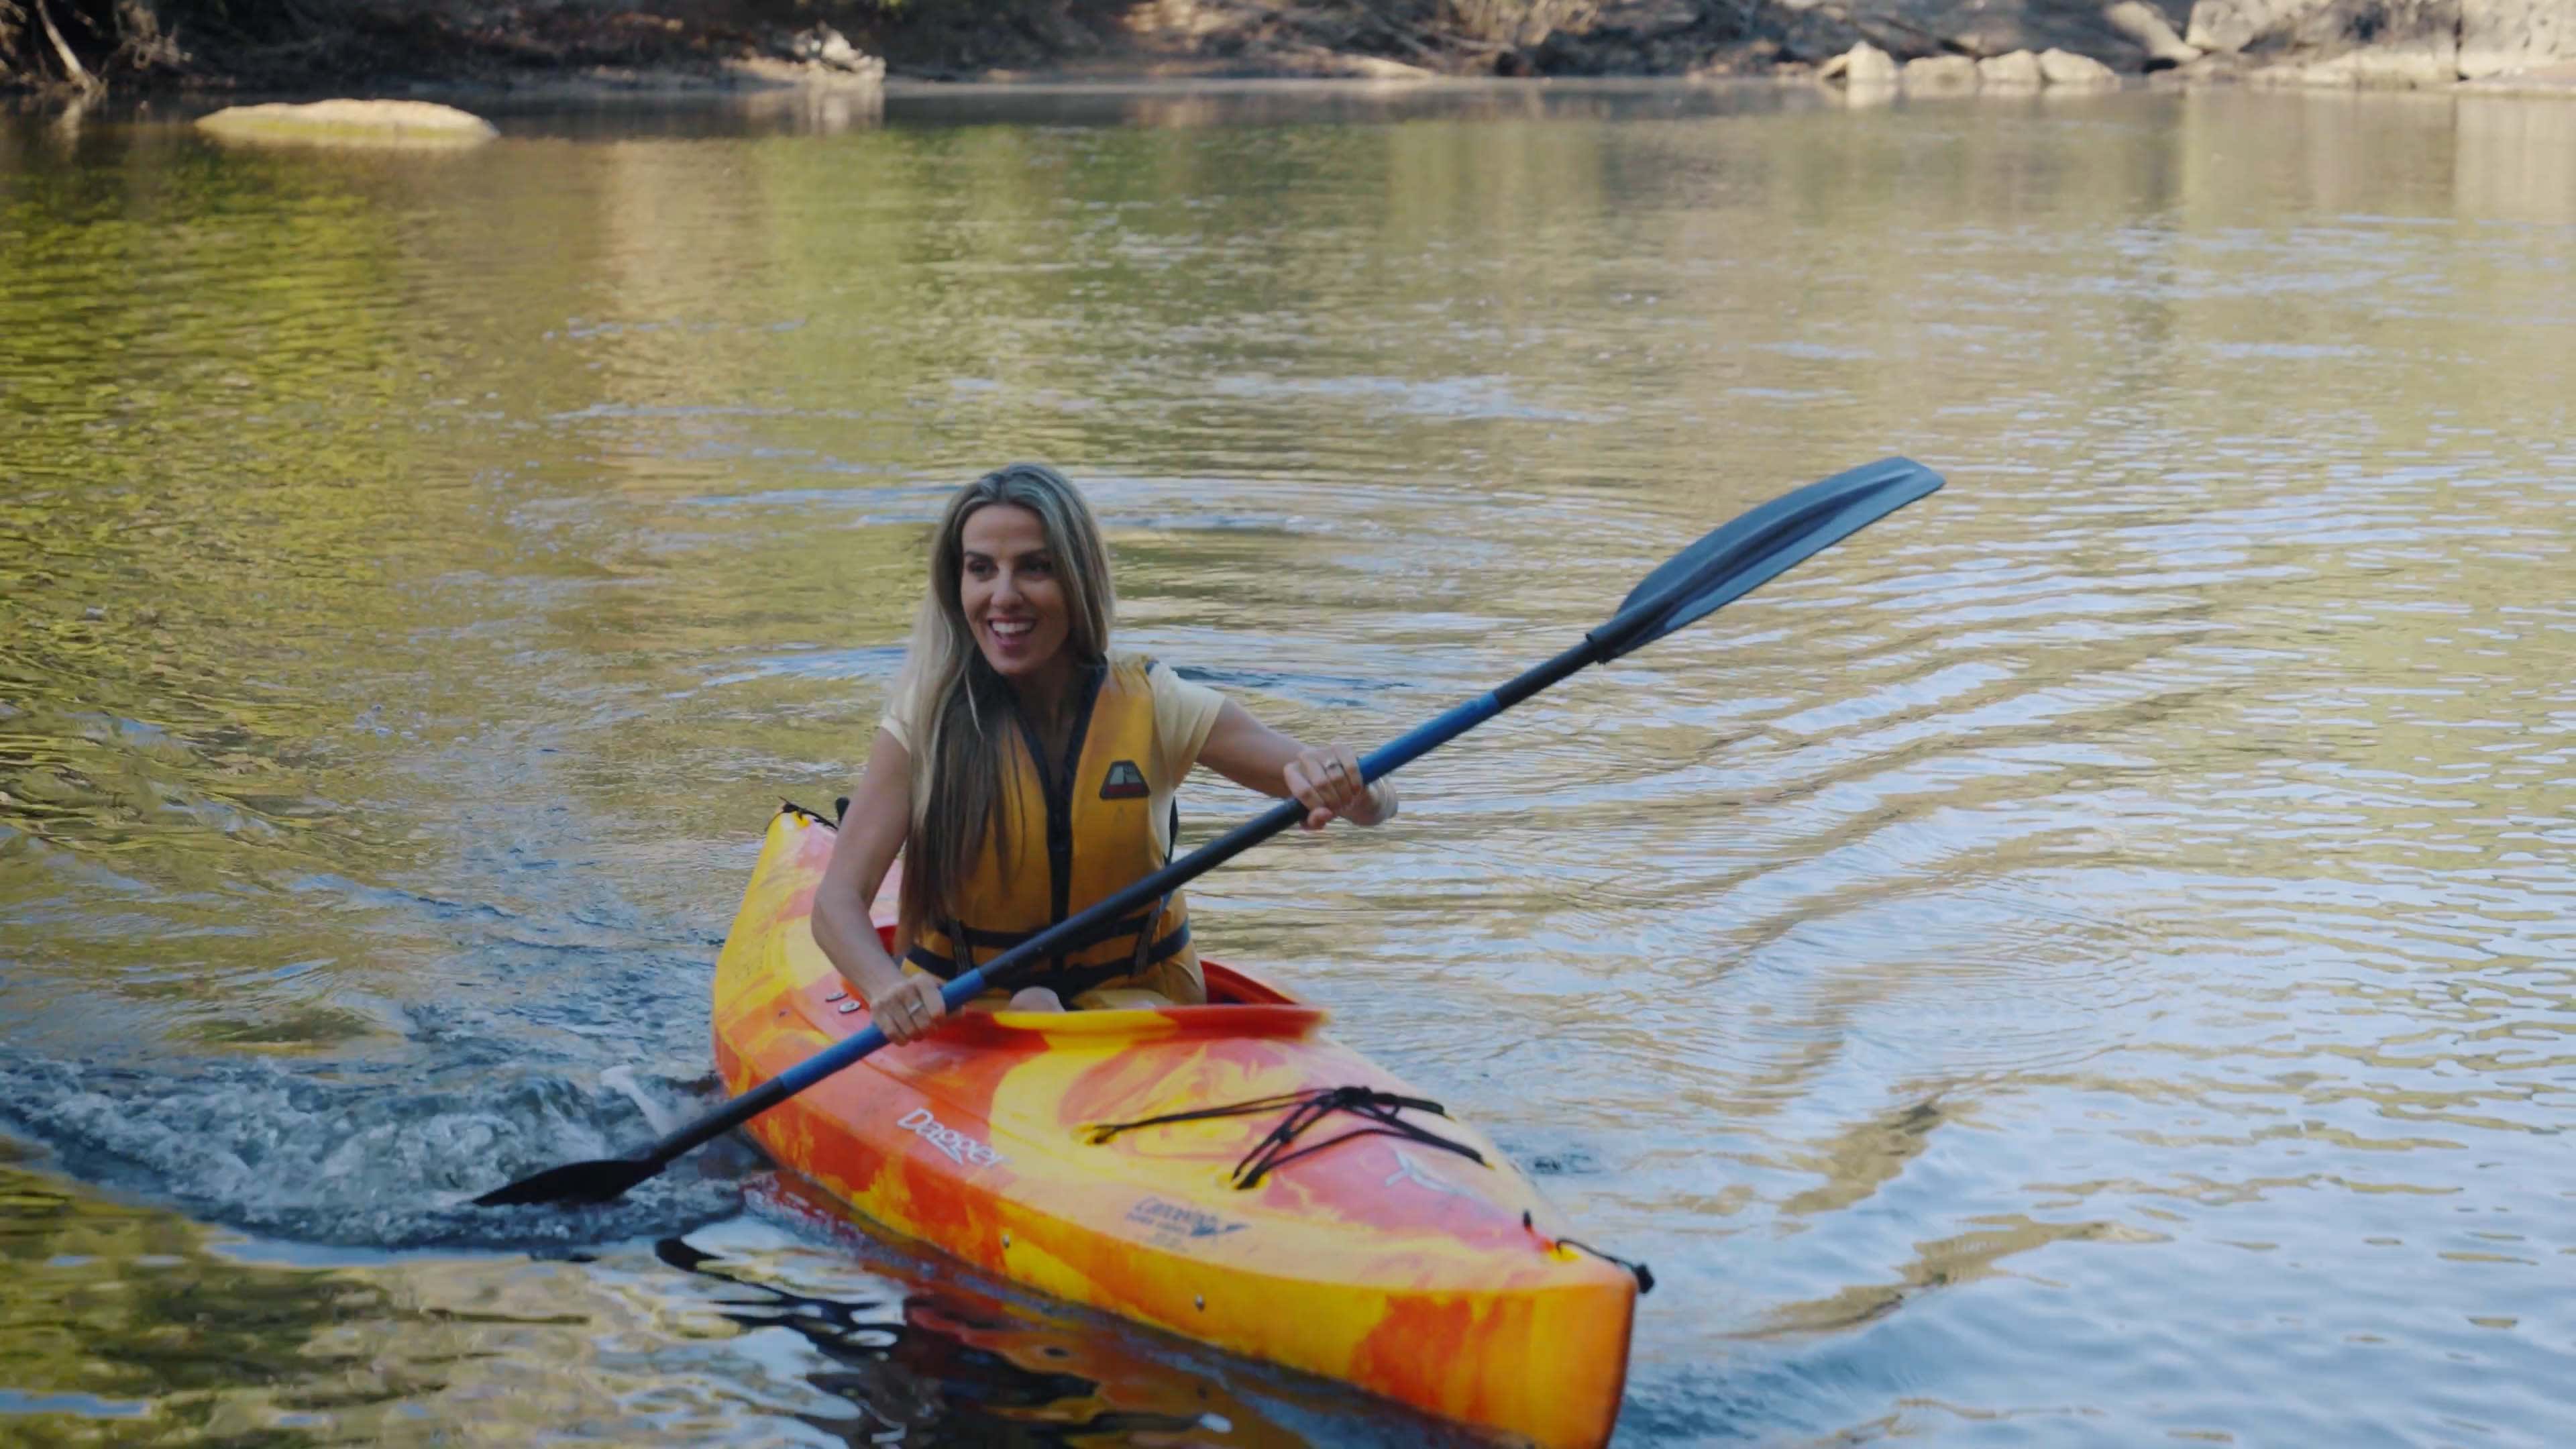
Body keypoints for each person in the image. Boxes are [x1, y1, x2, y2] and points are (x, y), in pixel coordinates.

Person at [811, 462, 1397, 1044]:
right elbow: (837, 902)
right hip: (970, 1022)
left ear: (1078, 578)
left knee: (1044, 1007)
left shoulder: (1155, 704)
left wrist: (1352, 785)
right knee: (1033, 1007)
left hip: (1139, 1010)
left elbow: (1365, 805)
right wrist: (885, 986)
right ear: (956, 582)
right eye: (981, 570)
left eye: (1036, 568)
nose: (1004, 596)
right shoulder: (927, 721)